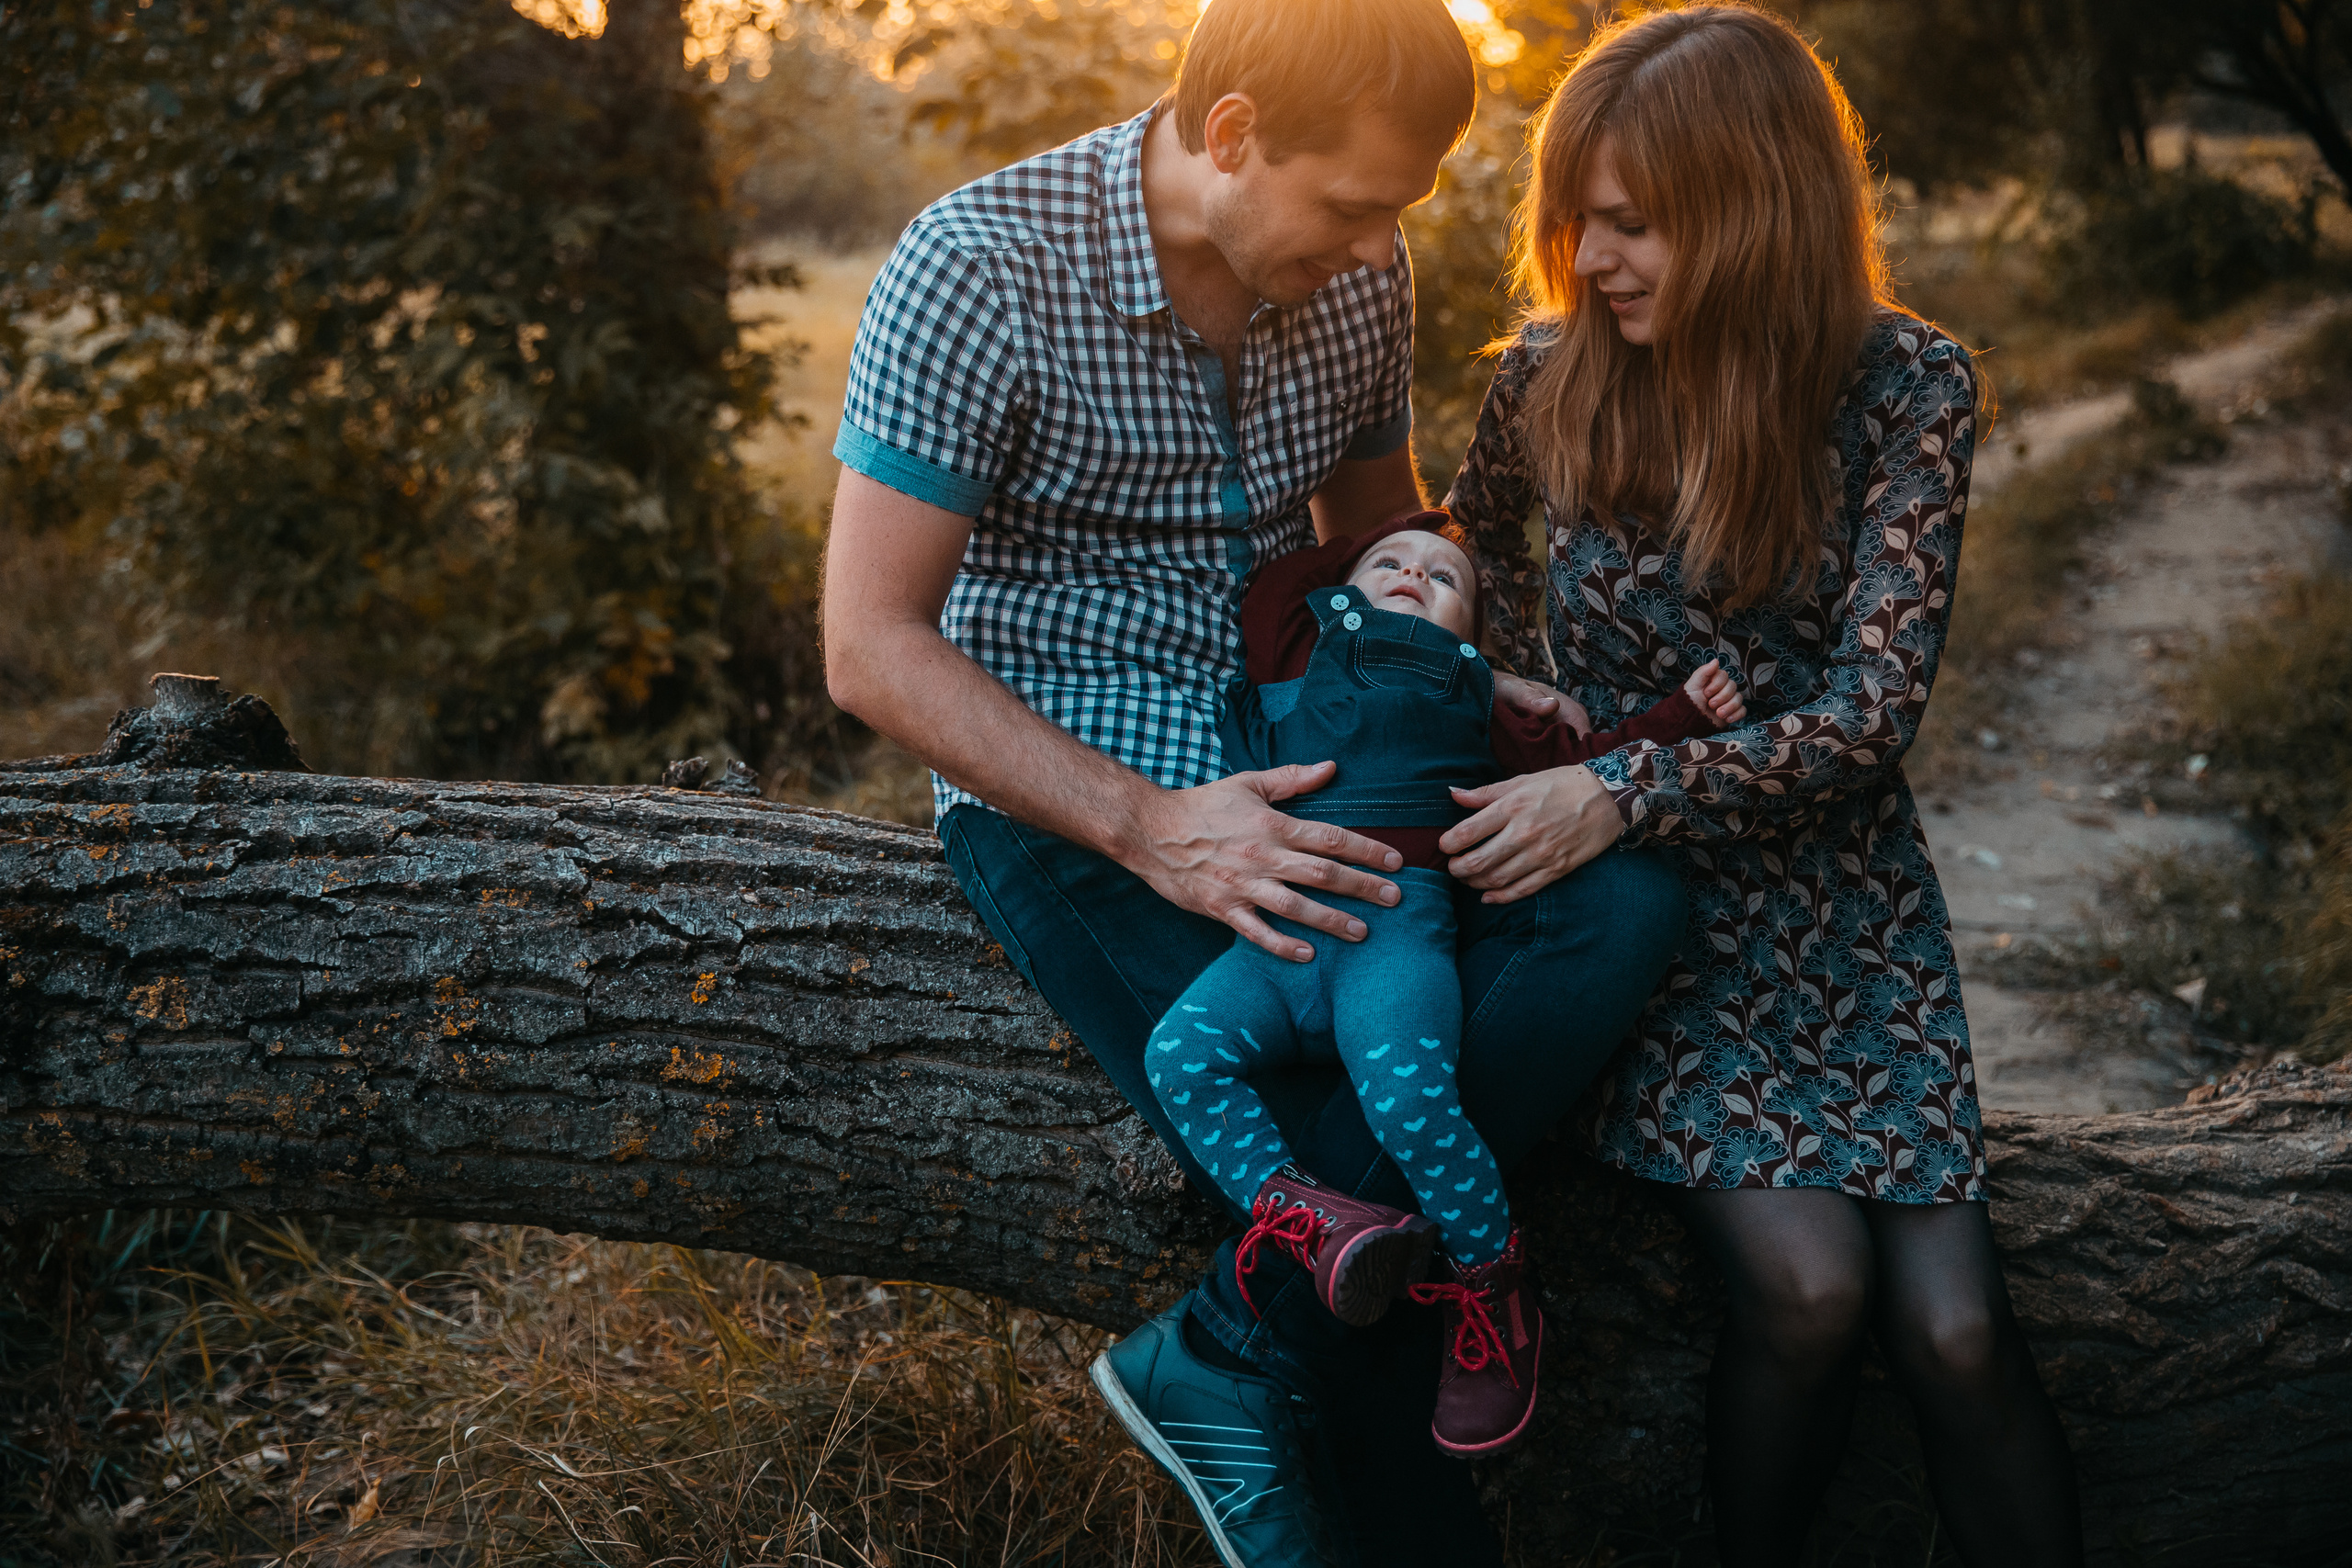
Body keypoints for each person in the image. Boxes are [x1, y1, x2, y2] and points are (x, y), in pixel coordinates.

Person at [820, 0, 1686, 1561]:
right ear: (1231, 136)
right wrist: (1155, 829)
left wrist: (1495, 712)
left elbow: (1376, 549)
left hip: (1345, 796)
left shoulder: (1353, 280)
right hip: (1086, 805)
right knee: (1342, 1132)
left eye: (1395, 217)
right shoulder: (979, 271)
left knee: (1618, 902)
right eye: (1354, 206)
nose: (1376, 254)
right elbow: (870, 647)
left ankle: (1223, 1339)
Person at [1438, 6, 2086, 1565]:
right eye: (1576, 220)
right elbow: (1467, 552)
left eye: (1633, 223)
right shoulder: (1544, 376)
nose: (1590, 259)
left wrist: (1629, 784)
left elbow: (1872, 713)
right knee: (1810, 1289)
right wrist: (1525, 704)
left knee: (1955, 1334)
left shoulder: (1907, 385)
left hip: (1845, 906)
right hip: (1642, 923)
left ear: (1755, 207)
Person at [1148, 517, 1745, 1458]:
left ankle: (1492, 1282)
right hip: (1274, 945)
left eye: (1443, 578)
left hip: (1395, 941)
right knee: (1178, 1055)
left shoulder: (1483, 705)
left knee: (1413, 1101)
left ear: (1476, 634)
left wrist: (1673, 719)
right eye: (1387, 563)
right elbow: (1275, 574)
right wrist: (1378, 569)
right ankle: (1311, 1217)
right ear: (1340, 585)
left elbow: (1582, 766)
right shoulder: (1295, 641)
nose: (1413, 575)